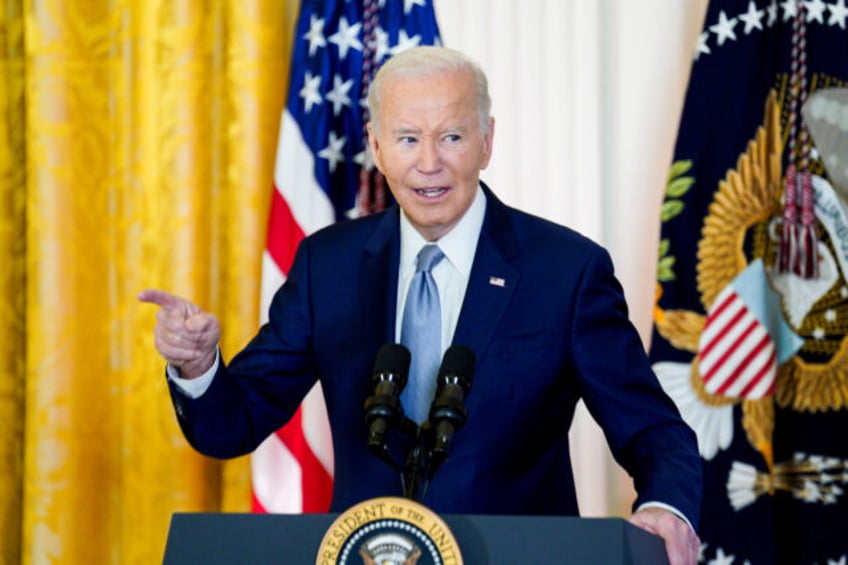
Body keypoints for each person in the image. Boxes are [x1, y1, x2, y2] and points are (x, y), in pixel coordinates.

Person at [139, 46, 701, 564]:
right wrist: (197, 368)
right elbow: (231, 425)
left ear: (487, 141)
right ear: (376, 146)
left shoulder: (566, 271)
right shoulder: (326, 266)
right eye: (408, 138)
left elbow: (653, 430)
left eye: (451, 137)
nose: (429, 162)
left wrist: (665, 507)